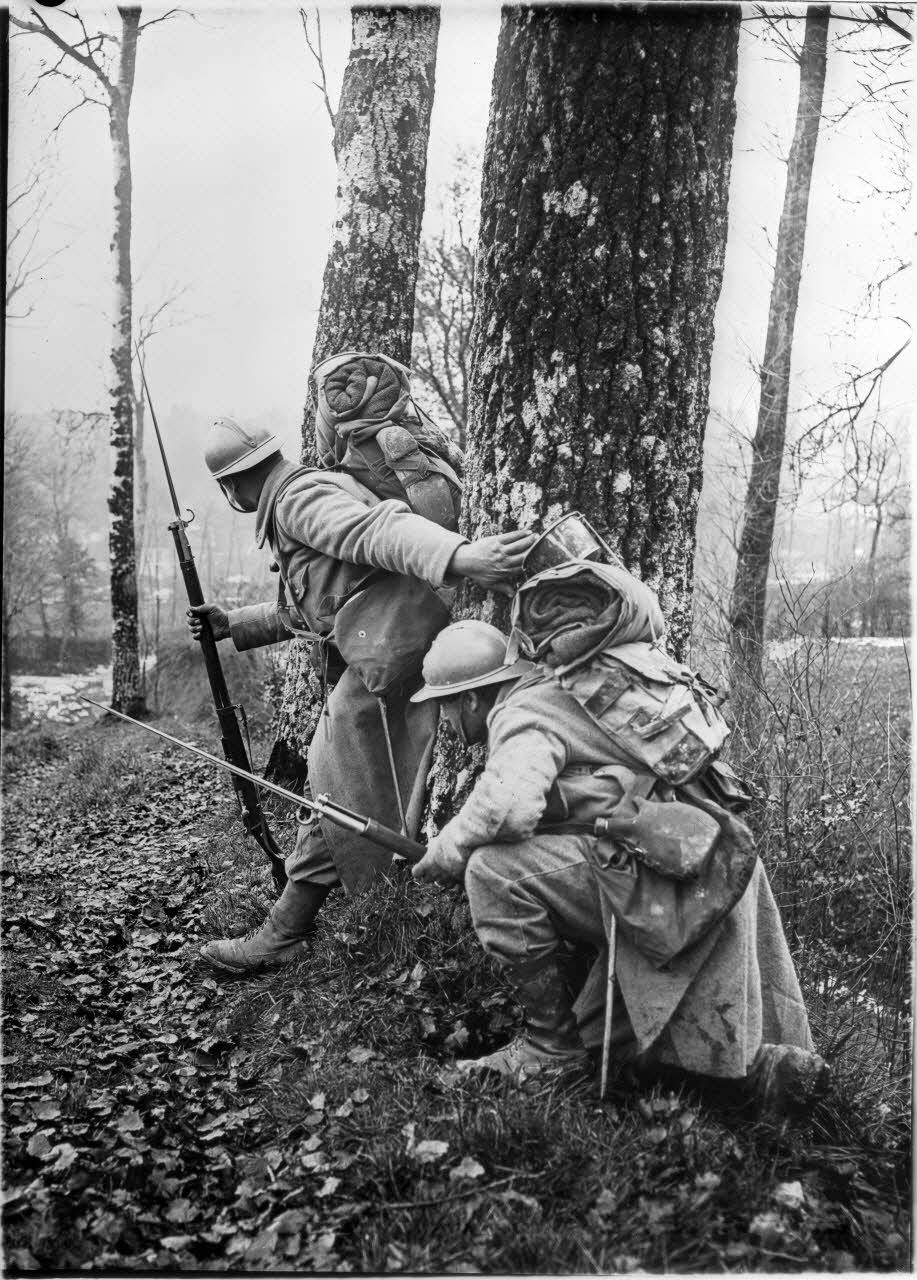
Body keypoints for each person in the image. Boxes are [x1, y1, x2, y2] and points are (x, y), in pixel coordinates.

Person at [408, 605, 828, 1113]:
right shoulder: (561, 688)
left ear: (472, 697)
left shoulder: (521, 714)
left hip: (669, 865)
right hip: (696, 851)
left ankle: (549, 1048)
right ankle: (757, 1071)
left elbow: (508, 807)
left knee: (492, 872)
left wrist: (447, 853)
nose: (446, 720)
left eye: (445, 706)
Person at [189, 413, 535, 974]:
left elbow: (376, 531)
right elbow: (316, 603)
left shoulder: (298, 500)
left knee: (334, 783)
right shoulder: (300, 493)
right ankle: (299, 922)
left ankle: (288, 931)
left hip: (392, 655)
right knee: (338, 785)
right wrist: (234, 624)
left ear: (231, 486)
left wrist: (460, 557)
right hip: (388, 652)